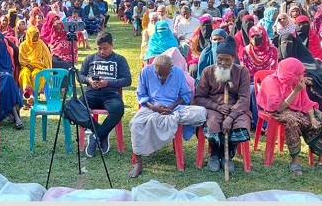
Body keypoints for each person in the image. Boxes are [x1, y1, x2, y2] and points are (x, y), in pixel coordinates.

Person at [128, 54, 207, 178]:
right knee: (136, 123)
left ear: (172, 67)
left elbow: (185, 95)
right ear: (154, 67)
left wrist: (172, 106)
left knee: (201, 112)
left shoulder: (178, 72)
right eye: (159, 74)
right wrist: (154, 107)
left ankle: (168, 118)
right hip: (151, 108)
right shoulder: (145, 71)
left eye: (166, 74)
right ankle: (138, 163)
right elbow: (141, 95)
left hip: (174, 109)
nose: (162, 77)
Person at [194, 36, 252, 173]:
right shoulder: (207, 72)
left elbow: (244, 98)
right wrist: (217, 107)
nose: (223, 63)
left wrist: (231, 117)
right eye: (220, 59)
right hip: (214, 106)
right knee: (212, 123)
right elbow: (199, 97)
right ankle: (215, 153)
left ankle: (228, 154)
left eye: (227, 60)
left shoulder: (242, 72)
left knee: (241, 124)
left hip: (237, 108)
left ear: (233, 59)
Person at [257, 57, 322, 175]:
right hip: (277, 110)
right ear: (289, 73)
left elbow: (307, 103)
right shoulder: (271, 82)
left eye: (301, 73)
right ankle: (295, 161)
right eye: (298, 74)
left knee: (319, 118)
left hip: (297, 110)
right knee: (293, 121)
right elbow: (279, 108)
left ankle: (321, 158)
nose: (301, 76)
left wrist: (313, 119)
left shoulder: (296, 81)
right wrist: (296, 91)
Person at [79, 31, 132, 157]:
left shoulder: (119, 59)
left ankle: (95, 136)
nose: (102, 51)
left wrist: (107, 83)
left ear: (112, 45)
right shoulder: (90, 59)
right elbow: (80, 75)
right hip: (92, 93)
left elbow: (127, 80)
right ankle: (101, 133)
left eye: (105, 48)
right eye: (99, 48)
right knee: (75, 107)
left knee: (118, 109)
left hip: (110, 94)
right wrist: (89, 80)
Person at [277, 32, 322, 105]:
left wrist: (306, 78)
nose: (286, 46)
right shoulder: (276, 58)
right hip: (283, 91)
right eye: (284, 43)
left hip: (302, 88)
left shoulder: (303, 55)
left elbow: (315, 71)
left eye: (289, 42)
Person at [18, 25, 52, 107]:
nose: (36, 38)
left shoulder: (41, 44)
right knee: (24, 74)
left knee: (36, 74)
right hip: (26, 66)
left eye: (37, 36)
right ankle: (28, 95)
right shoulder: (23, 45)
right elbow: (22, 60)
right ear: (29, 36)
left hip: (39, 66)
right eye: (34, 36)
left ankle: (34, 95)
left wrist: (37, 64)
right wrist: (29, 65)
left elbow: (46, 58)